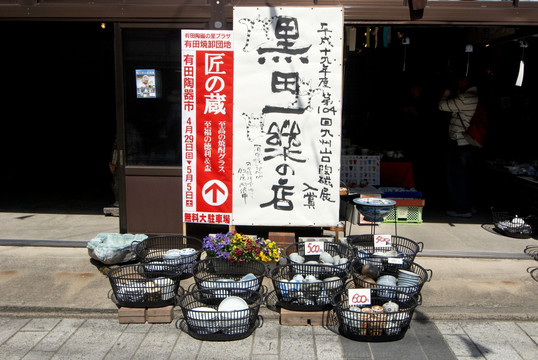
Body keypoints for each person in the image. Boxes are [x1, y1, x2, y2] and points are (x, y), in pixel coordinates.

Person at [438, 75, 479, 218]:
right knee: (465, 175)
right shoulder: (473, 97)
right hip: (468, 142)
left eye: (461, 79)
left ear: (467, 82)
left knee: (457, 176)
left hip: (460, 141)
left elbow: (442, 106)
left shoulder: (466, 98)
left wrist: (447, 93)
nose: (458, 81)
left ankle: (462, 208)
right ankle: (468, 205)